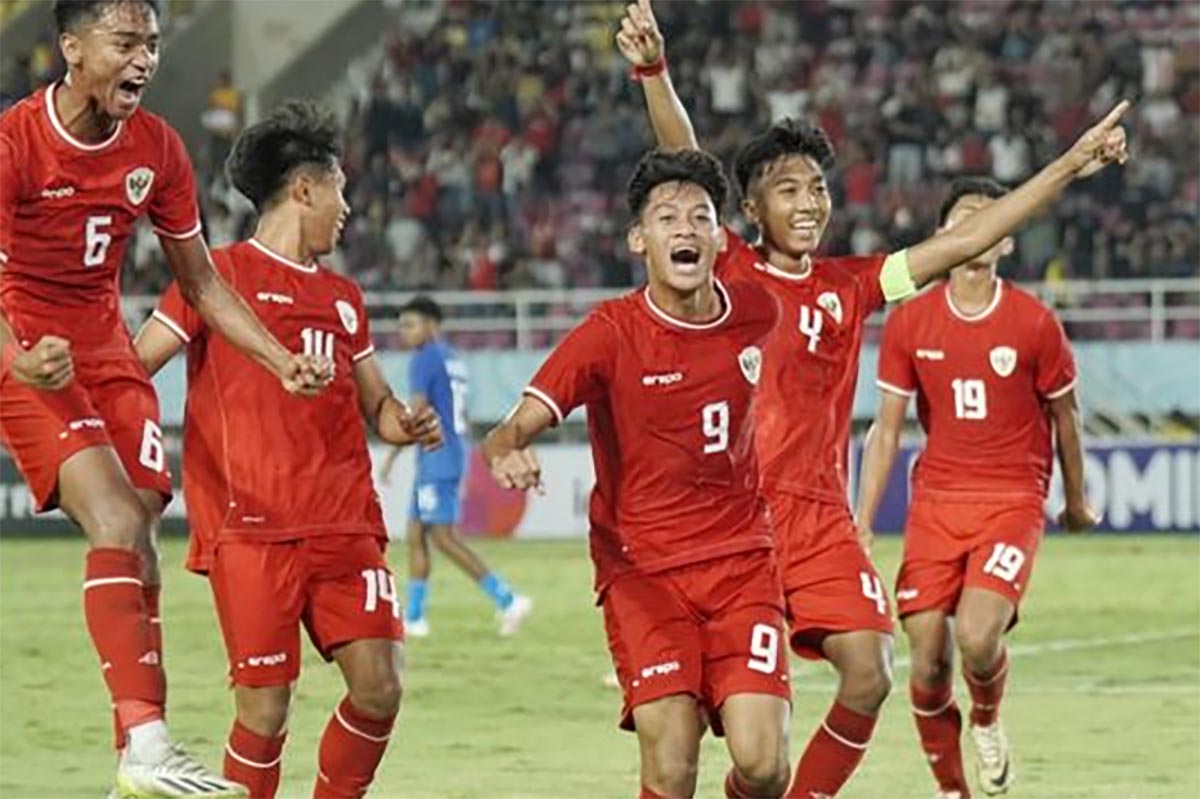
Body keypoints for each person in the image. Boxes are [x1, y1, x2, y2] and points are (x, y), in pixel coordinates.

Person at [615, 2, 1128, 795]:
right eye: (788, 190)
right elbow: (683, 154)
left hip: (817, 518)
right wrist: (654, 71)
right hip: (736, 519)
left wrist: (1067, 166)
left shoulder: (852, 285)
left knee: (870, 669)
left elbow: (958, 242)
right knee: (714, 739)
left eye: (818, 187)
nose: (811, 202)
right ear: (749, 212)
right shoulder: (732, 270)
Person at [0, 2, 327, 795]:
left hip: (105, 346)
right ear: (71, 48)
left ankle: (136, 757)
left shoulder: (158, 148)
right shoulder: (12, 143)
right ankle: (147, 741)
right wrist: (18, 359)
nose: (144, 59)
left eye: (151, 41)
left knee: (140, 514)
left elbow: (202, 284)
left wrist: (279, 358)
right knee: (114, 519)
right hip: (25, 342)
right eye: (125, 42)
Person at [134, 99, 442, 799]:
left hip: (346, 525)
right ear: (306, 187)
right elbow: (135, 362)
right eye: (342, 190)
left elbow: (379, 409)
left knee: (380, 686)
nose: (349, 209)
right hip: (253, 529)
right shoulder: (212, 278)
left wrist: (407, 421)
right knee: (265, 710)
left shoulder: (343, 297)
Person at [484, 149, 791, 799]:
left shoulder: (757, 312)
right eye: (667, 217)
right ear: (638, 239)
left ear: (719, 236)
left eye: (700, 217)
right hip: (643, 572)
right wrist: (508, 445)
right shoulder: (608, 334)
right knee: (673, 762)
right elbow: (517, 421)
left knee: (764, 767)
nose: (684, 228)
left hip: (743, 562)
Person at [855, 177, 1098, 798]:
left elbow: (1065, 417)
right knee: (929, 654)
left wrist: (1074, 499)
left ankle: (986, 719)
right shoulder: (910, 324)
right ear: (944, 236)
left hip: (1012, 497)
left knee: (976, 635)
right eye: (966, 218)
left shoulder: (1034, 323)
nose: (980, 228)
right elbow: (886, 430)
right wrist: (862, 517)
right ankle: (952, 788)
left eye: (992, 219)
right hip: (936, 502)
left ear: (1007, 240)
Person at [378, 295, 532, 637]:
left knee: (441, 536)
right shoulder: (453, 359)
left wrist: (390, 456)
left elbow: (417, 411)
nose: (404, 332)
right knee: (416, 532)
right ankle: (415, 618)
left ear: (431, 325)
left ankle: (507, 599)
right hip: (451, 450)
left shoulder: (425, 358)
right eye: (401, 325)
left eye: (411, 324)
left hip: (437, 454)